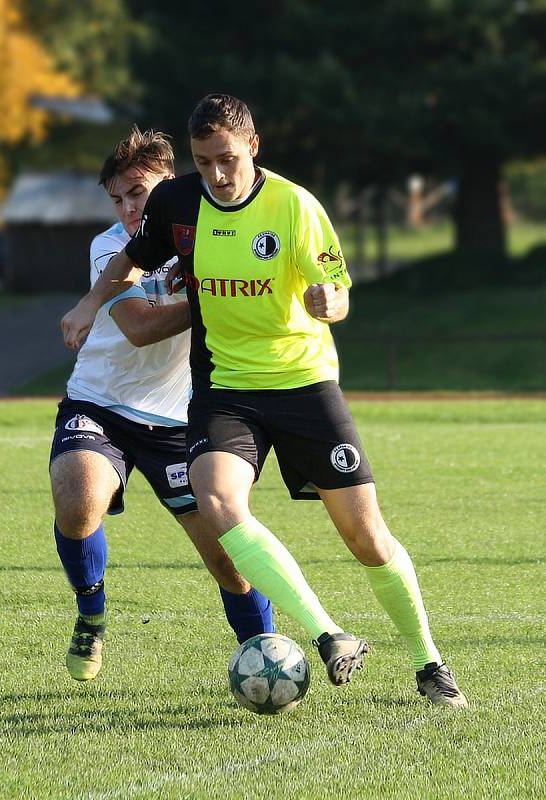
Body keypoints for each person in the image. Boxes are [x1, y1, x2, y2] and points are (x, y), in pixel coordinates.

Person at [61, 96, 467, 707]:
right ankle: (330, 636)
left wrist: (331, 303)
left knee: (365, 536)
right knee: (218, 500)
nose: (218, 175)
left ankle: (428, 662)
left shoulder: (296, 206)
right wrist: (90, 304)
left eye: (227, 159)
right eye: (203, 162)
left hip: (303, 385)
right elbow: (131, 259)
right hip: (225, 388)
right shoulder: (178, 203)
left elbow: (336, 289)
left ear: (253, 147)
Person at [50, 126, 273, 682]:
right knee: (78, 502)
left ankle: (267, 655)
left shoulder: (216, 234)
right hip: (98, 405)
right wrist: (211, 293)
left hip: (177, 421)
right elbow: (140, 329)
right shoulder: (110, 248)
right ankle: (91, 610)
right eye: (118, 198)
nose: (127, 208)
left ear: (170, 185)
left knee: (227, 559)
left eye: (138, 193)